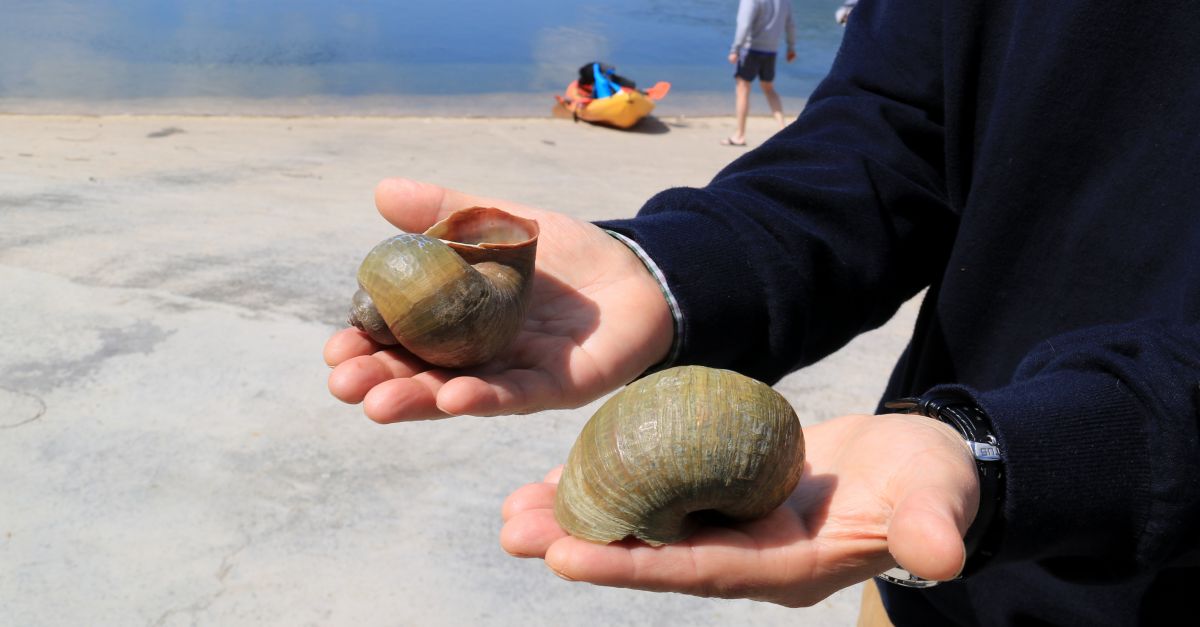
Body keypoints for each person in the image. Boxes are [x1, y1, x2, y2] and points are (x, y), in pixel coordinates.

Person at [324, 0, 1200, 624]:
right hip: (930, 572)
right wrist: (669, 269)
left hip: (1016, 501)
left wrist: (1036, 453)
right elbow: (894, 134)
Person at [723, 0, 796, 147]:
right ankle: (783, 130)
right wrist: (791, 47)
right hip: (771, 51)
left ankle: (740, 135)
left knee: (742, 89)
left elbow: (744, 24)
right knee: (769, 89)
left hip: (750, 49)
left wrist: (735, 49)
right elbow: (791, 25)